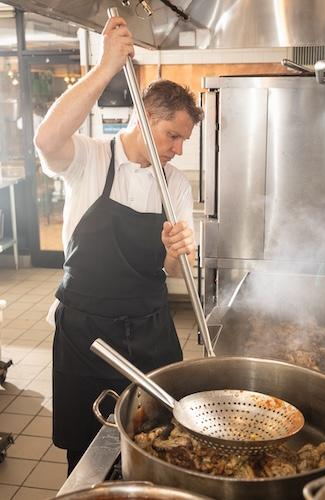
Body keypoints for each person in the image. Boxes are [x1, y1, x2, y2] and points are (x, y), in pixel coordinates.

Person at [34, 14, 203, 475]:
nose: (179, 149)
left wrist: (176, 249)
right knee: (87, 452)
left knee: (158, 444)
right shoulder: (89, 157)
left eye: (184, 140)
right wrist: (107, 66)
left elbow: (170, 271)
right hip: (85, 335)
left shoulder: (175, 184)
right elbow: (46, 139)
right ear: (147, 119)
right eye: (174, 136)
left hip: (149, 332)